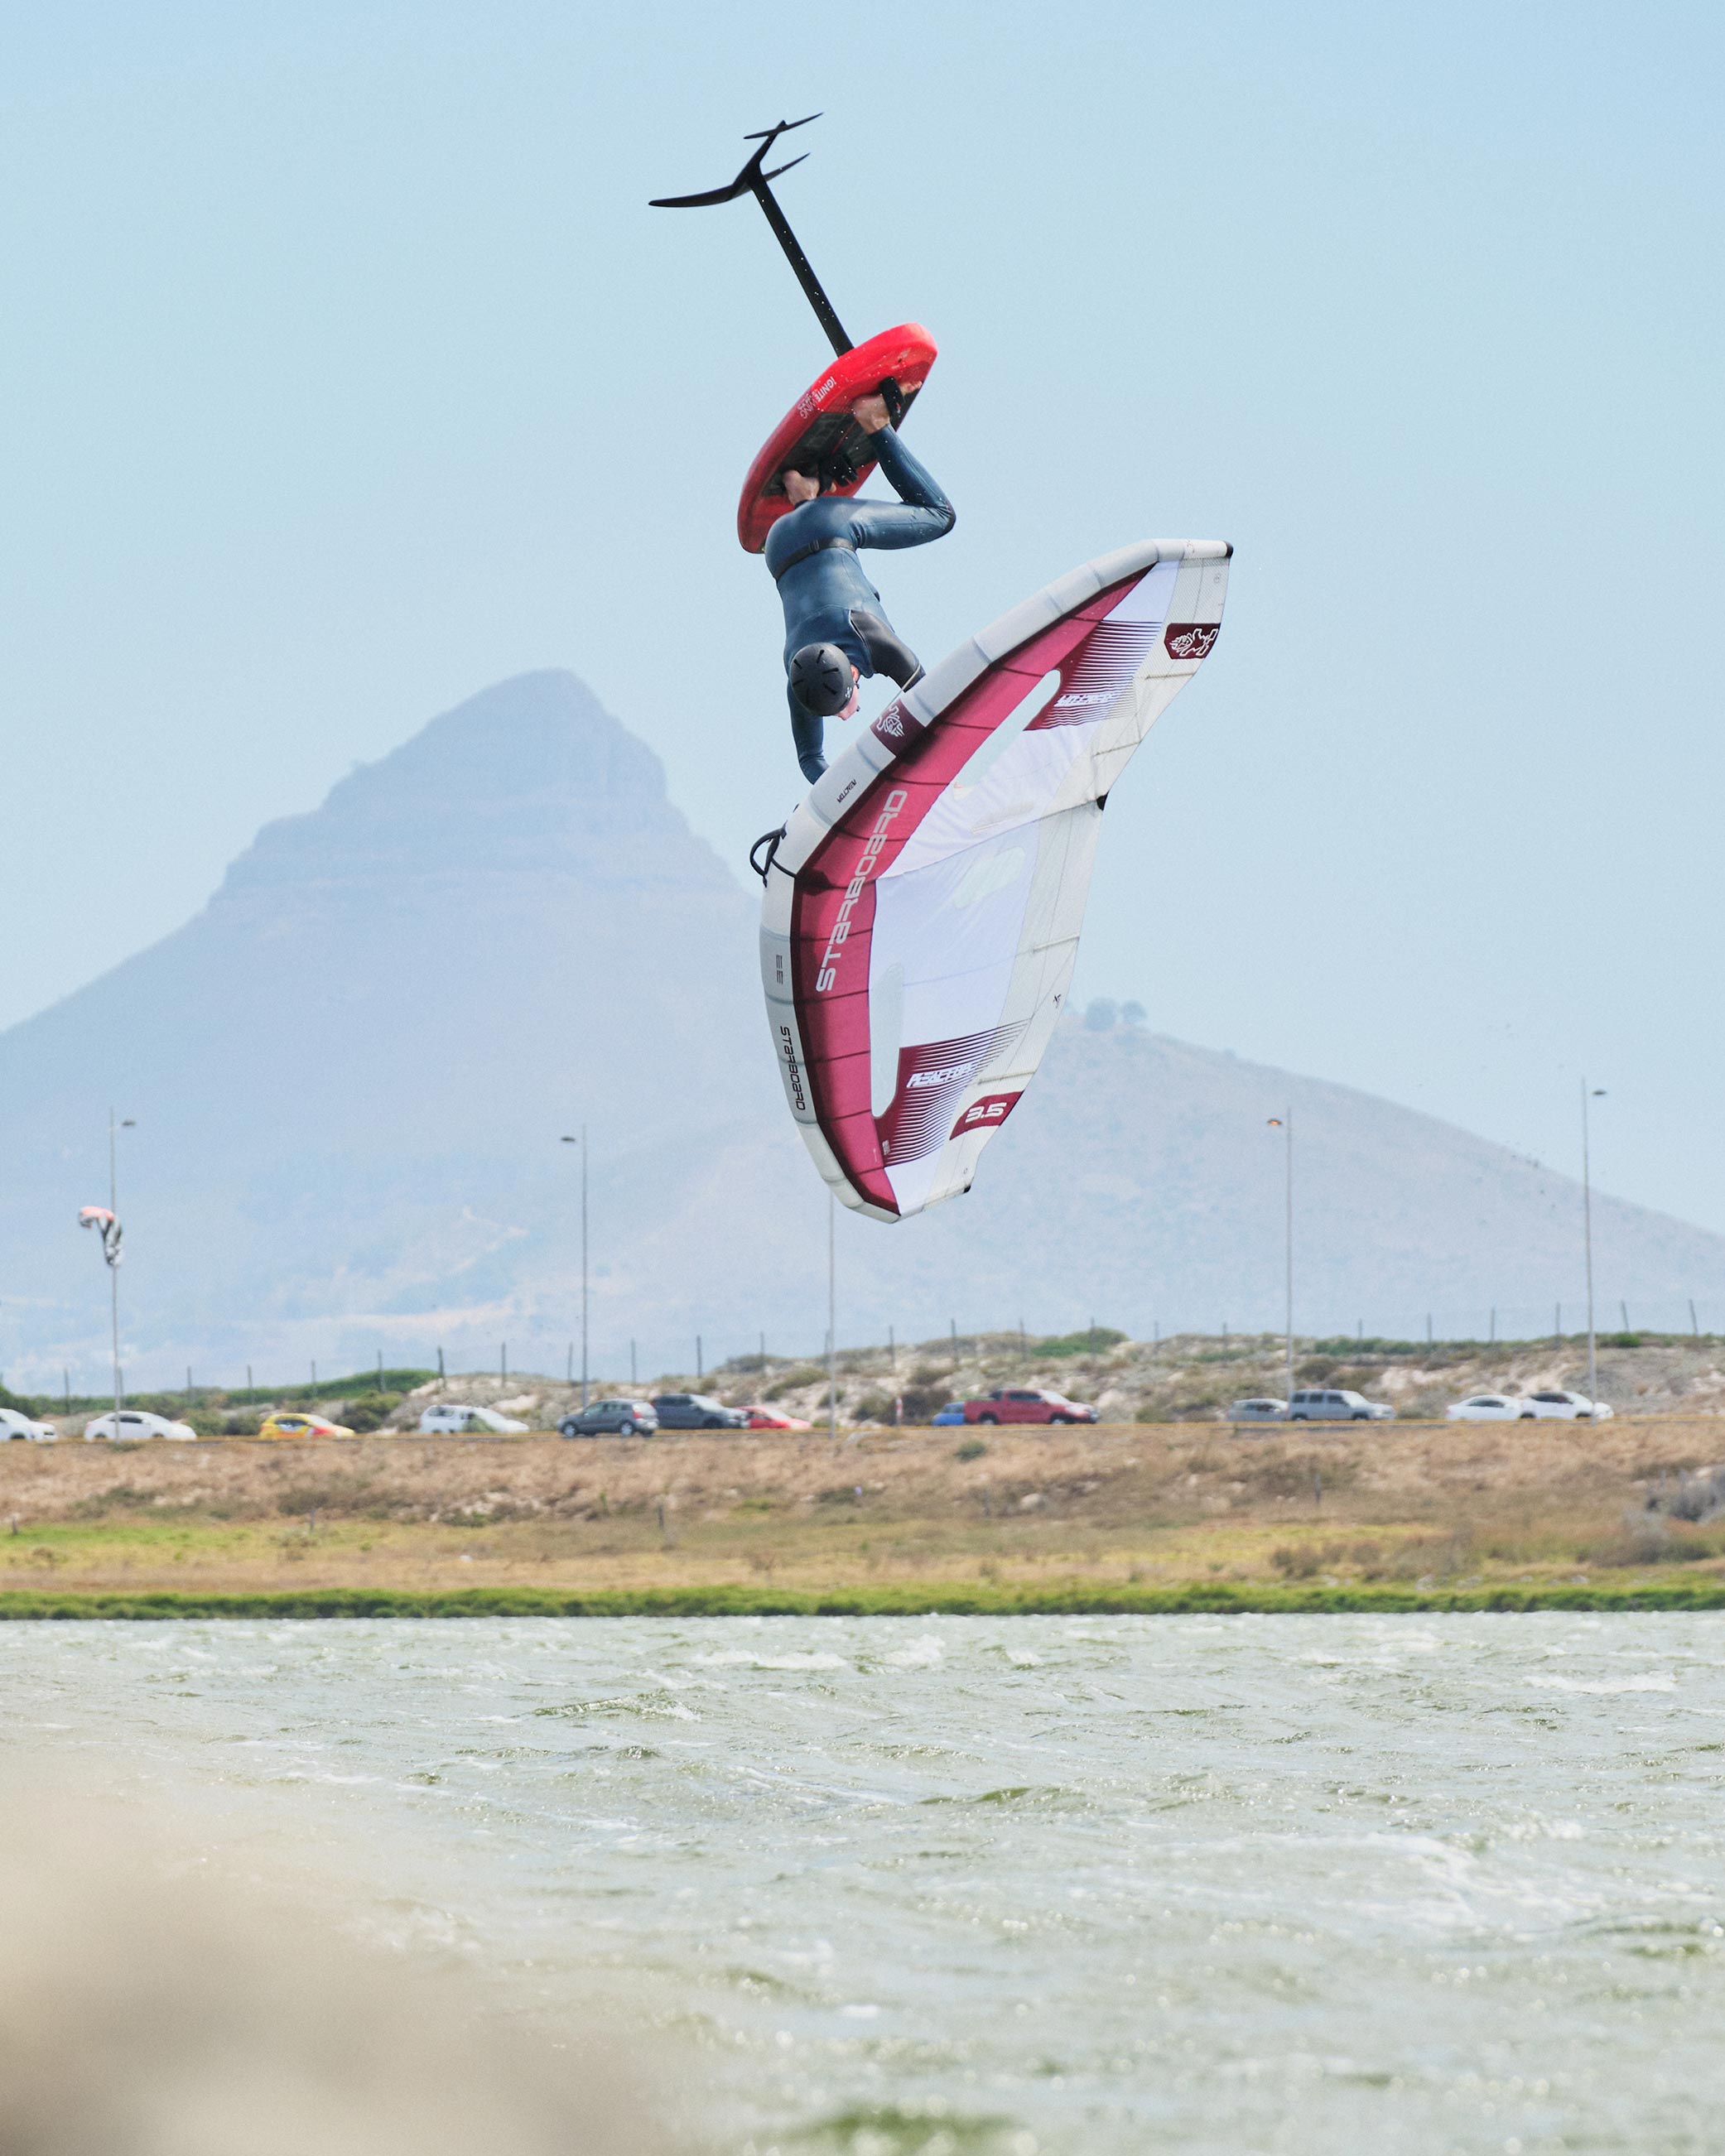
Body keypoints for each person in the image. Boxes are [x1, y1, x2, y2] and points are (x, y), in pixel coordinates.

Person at [768, 392, 955, 784]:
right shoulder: (798, 676)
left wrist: (871, 782)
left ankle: (875, 423)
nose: (841, 715)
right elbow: (810, 760)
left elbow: (926, 698)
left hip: (829, 525)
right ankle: (800, 491)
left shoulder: (872, 640)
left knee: (938, 515)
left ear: (854, 670)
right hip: (778, 544)